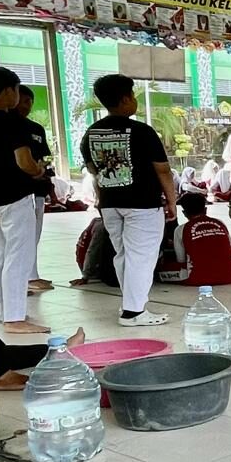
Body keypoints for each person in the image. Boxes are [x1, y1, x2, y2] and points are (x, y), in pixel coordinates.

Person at [81, 73, 176, 327]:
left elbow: (93, 170)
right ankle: (133, 312)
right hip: (142, 203)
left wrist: (102, 199)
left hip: (110, 203)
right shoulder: (142, 131)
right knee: (141, 256)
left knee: (123, 254)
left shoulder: (90, 133)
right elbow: (163, 170)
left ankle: (130, 305)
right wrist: (171, 201)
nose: (134, 100)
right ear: (125, 99)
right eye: (133, 95)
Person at [0, 67, 48, 333]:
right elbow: (24, 162)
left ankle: (7, 313)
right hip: (14, 196)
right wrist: (38, 170)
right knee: (18, 256)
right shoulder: (13, 122)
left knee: (1, 254)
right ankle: (14, 319)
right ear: (8, 91)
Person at [14, 85, 53, 293]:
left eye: (30, 101)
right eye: (23, 101)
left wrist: (42, 170)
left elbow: (42, 158)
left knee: (33, 234)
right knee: (12, 241)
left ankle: (31, 274)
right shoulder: (8, 126)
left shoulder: (36, 129)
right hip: (13, 191)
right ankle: (20, 280)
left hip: (36, 189)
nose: (26, 106)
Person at [157, 192, 231, 286]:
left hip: (197, 278)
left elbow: (181, 260)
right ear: (205, 209)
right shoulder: (220, 223)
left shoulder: (180, 230)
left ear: (184, 213)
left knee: (158, 271)